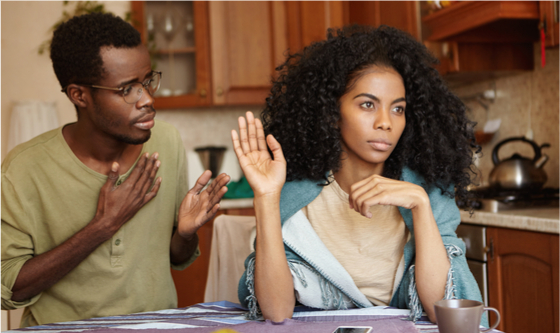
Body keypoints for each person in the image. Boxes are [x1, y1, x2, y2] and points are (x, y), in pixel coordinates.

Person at [231, 25, 484, 325]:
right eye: (368, 104)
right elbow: (276, 310)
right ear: (331, 112)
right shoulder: (295, 194)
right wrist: (266, 198)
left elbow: (441, 307)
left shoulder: (427, 189)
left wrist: (419, 204)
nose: (385, 122)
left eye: (398, 109)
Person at [1, 13, 230, 327]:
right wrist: (103, 226)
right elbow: (8, 289)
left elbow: (176, 257)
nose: (147, 99)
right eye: (127, 90)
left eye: (147, 81)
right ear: (79, 95)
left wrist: (186, 233)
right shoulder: (23, 168)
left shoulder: (167, 142)